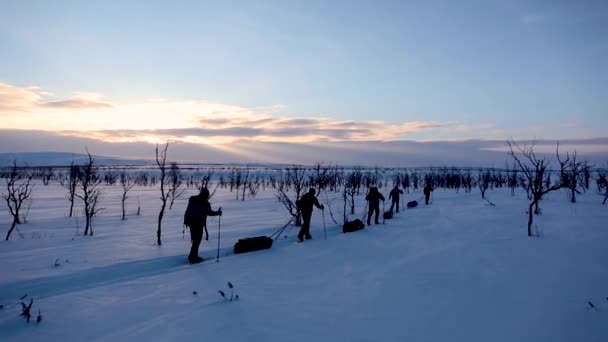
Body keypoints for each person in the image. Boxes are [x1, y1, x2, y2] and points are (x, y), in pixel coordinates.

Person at [184, 188, 222, 264]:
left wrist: (186, 221)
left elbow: (188, 210)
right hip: (198, 223)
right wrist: (218, 213)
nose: (207, 196)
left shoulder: (193, 199)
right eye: (207, 194)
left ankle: (192, 255)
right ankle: (193, 257)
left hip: (191, 222)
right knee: (197, 240)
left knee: (195, 240)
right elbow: (210, 213)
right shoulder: (205, 202)